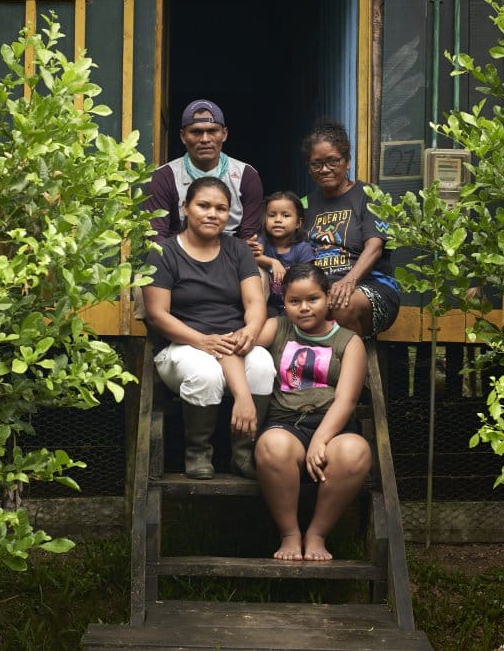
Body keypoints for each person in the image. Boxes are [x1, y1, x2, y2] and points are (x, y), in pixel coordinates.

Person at [142, 176, 275, 480]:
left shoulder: (238, 250)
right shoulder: (163, 253)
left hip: (231, 342)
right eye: (203, 205)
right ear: (186, 207)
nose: (212, 214)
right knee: (205, 373)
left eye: (221, 208)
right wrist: (202, 341)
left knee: (264, 365)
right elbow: (157, 315)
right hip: (182, 347)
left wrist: (250, 331)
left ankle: (243, 453)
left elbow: (255, 302)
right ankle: (198, 453)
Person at [254, 263, 371, 561]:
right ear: (285, 303)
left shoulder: (348, 341)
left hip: (331, 425)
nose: (304, 308)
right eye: (294, 302)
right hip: (285, 423)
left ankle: (317, 534)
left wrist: (320, 439)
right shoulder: (277, 327)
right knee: (271, 447)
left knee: (356, 451)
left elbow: (346, 400)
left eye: (313, 299)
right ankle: (290, 533)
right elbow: (245, 344)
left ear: (328, 297)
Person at [301, 119, 400, 337]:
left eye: (332, 162)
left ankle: (349, 366)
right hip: (320, 291)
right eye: (316, 164)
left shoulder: (370, 195)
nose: (324, 169)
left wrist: (349, 280)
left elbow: (375, 246)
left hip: (370, 285)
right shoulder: (305, 205)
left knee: (340, 303)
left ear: (347, 162)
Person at [144, 99, 264, 243]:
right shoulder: (164, 177)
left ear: (224, 134)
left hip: (233, 257)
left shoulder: (246, 175)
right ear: (183, 136)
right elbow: (157, 235)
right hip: (179, 257)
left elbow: (249, 236)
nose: (205, 139)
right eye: (196, 132)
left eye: (212, 131)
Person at [248, 191, 316, 316]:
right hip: (267, 305)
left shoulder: (303, 249)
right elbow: (247, 258)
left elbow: (309, 279)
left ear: (298, 223)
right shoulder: (261, 242)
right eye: (272, 215)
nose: (278, 220)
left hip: (296, 305)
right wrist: (272, 262)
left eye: (285, 215)